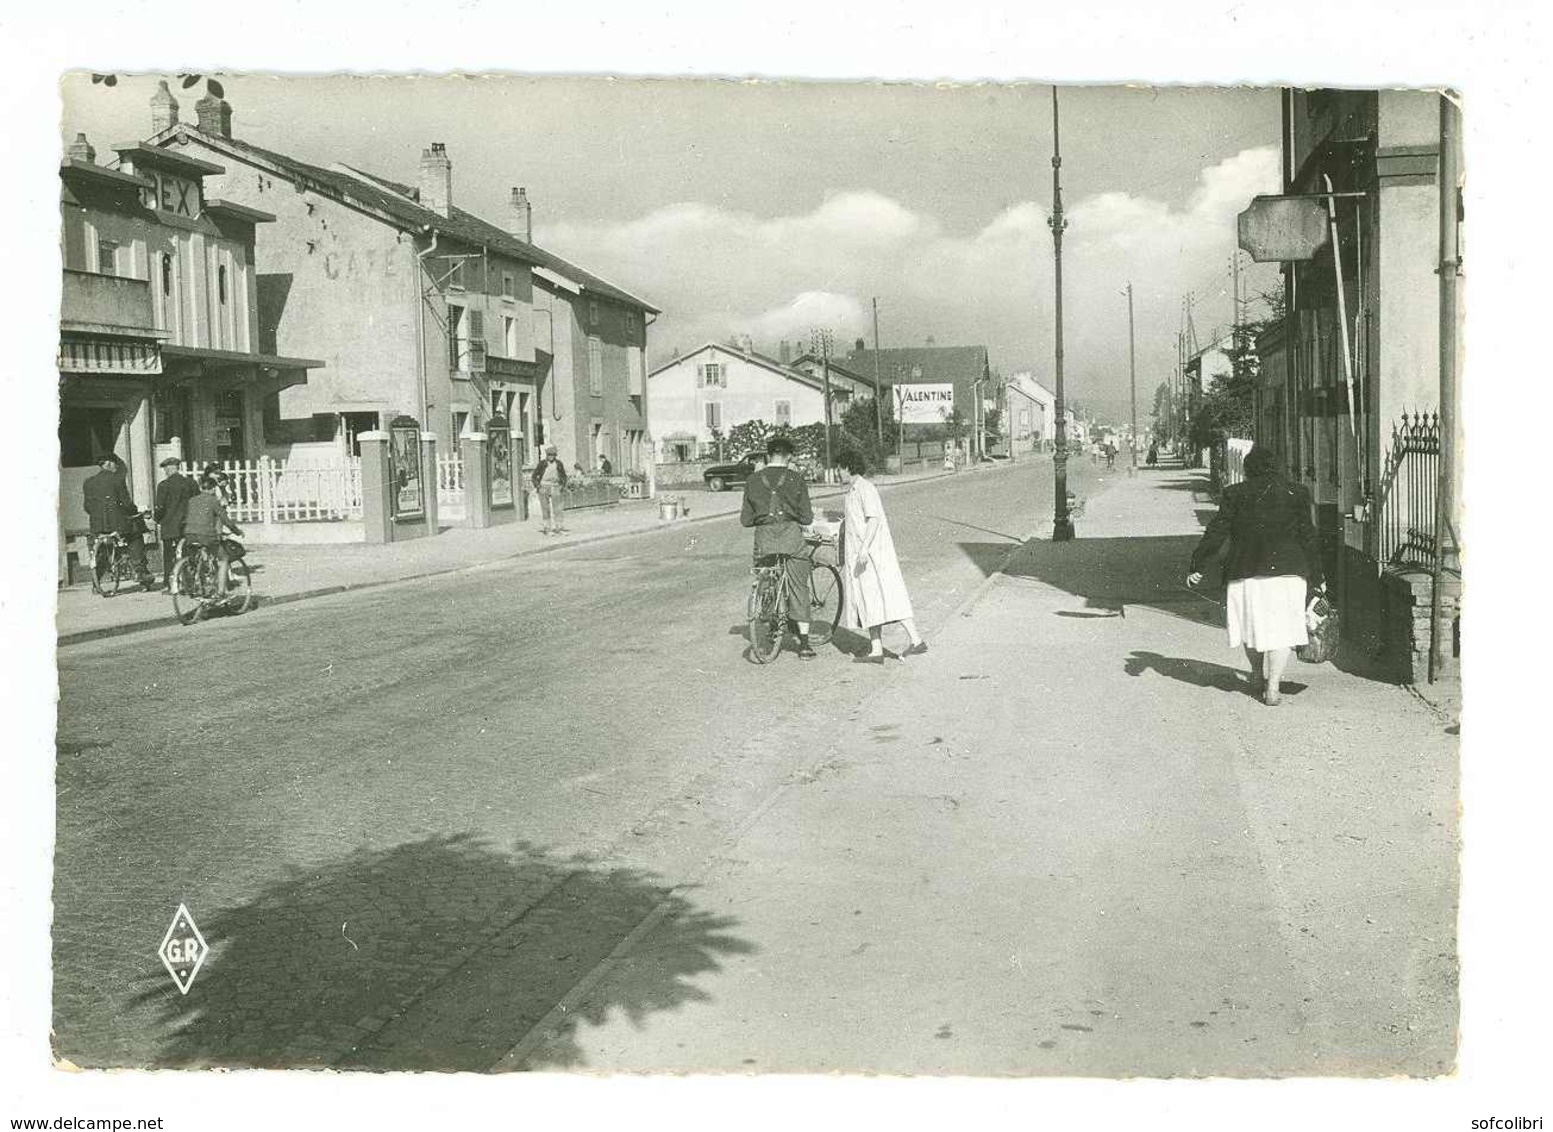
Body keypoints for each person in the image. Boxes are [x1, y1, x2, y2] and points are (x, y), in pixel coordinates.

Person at [1188, 444, 1324, 706]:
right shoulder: (1297, 493)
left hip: (1246, 572)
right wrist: (1318, 575)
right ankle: (1273, 687)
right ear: (1278, 467)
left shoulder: (1234, 494)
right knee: (1282, 631)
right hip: (1289, 573)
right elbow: (1309, 538)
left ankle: (1254, 675)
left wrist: (1198, 564)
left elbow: (1216, 532)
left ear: (1247, 469)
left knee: (1252, 626)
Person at [839, 450, 926, 664]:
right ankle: (876, 649)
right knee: (868, 600)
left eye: (840, 468)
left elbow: (874, 519)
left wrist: (864, 549)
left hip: (871, 556)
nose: (838, 473)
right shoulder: (851, 491)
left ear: (849, 467)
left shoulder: (865, 488)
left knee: (888, 595)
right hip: (861, 557)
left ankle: (916, 640)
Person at [740, 435, 817, 658]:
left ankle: (768, 608)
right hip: (791, 538)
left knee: (766, 573)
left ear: (768, 454)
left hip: (764, 540)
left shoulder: (753, 480)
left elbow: (745, 520)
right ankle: (803, 645)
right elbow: (807, 518)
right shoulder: (796, 478)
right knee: (798, 587)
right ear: (789, 456)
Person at [82, 454, 154, 588]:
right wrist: (136, 512)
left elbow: (87, 507)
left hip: (97, 526)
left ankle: (95, 583)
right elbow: (126, 504)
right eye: (115, 464)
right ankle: (140, 571)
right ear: (109, 463)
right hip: (118, 524)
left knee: (102, 550)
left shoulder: (89, 482)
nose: (116, 467)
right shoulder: (117, 479)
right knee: (135, 536)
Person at [182, 474, 244, 597]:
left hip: (189, 535)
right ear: (213, 489)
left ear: (200, 488)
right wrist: (237, 531)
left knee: (201, 557)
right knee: (224, 558)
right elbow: (225, 519)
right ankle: (220, 592)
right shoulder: (213, 501)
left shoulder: (191, 500)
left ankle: (201, 583)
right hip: (206, 536)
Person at [152, 456, 199, 590]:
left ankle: (169, 583)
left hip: (169, 526)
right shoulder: (191, 483)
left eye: (166, 469)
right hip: (188, 525)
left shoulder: (163, 485)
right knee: (188, 553)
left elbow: (160, 507)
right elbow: (197, 502)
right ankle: (189, 581)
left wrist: (156, 519)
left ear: (170, 468)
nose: (165, 471)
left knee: (169, 555)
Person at [531, 444, 569, 534]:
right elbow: (534, 476)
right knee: (545, 508)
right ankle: (547, 528)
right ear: (546, 455)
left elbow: (564, 476)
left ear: (555, 455)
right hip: (544, 487)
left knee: (558, 508)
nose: (551, 457)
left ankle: (559, 528)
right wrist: (538, 486)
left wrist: (562, 486)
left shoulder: (559, 464)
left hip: (555, 486)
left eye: (552, 455)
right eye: (549, 455)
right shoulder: (542, 464)